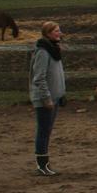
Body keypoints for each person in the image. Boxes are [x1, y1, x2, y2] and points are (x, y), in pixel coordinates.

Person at [30, 21, 66, 175]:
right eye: (57, 31)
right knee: (44, 131)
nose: (60, 33)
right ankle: (42, 165)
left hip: (54, 97)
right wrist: (46, 98)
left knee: (47, 130)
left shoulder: (53, 50)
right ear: (48, 33)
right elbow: (39, 78)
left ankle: (44, 164)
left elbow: (56, 75)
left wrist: (60, 93)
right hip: (46, 99)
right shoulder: (43, 52)